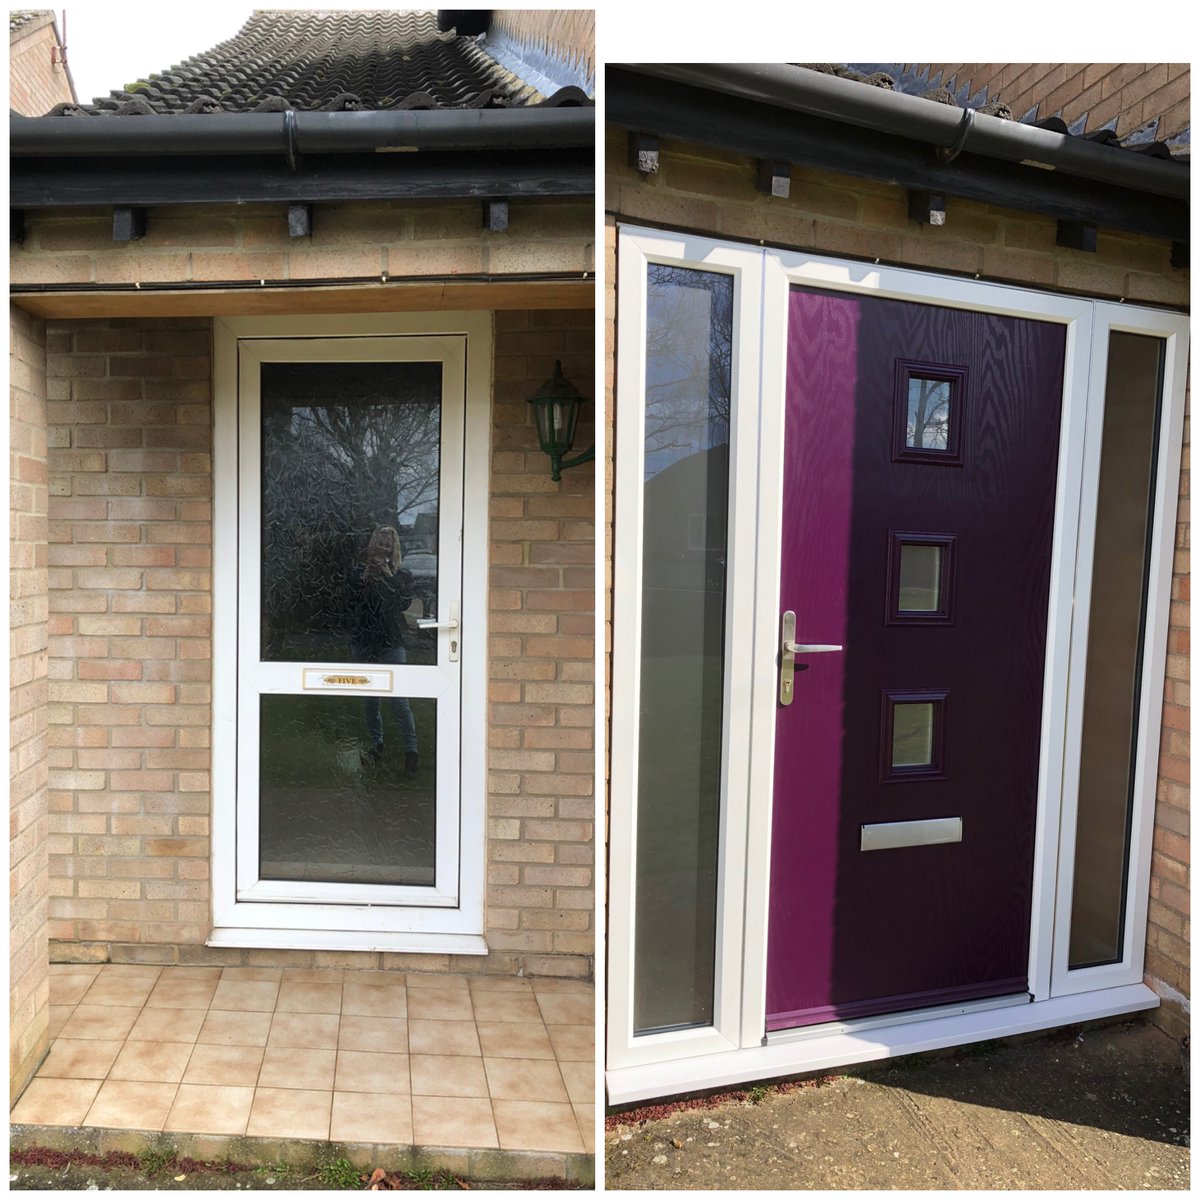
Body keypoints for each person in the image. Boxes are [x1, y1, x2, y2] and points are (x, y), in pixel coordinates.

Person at [352, 525, 419, 776]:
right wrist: (364, 580)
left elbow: (401, 602)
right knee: (370, 699)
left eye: (387, 545)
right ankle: (376, 745)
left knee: (398, 699)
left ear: (394, 548)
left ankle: (411, 752)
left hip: (391, 640)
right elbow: (348, 603)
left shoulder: (402, 574)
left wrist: (388, 576)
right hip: (364, 639)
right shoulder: (360, 572)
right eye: (378, 544)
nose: (382, 550)